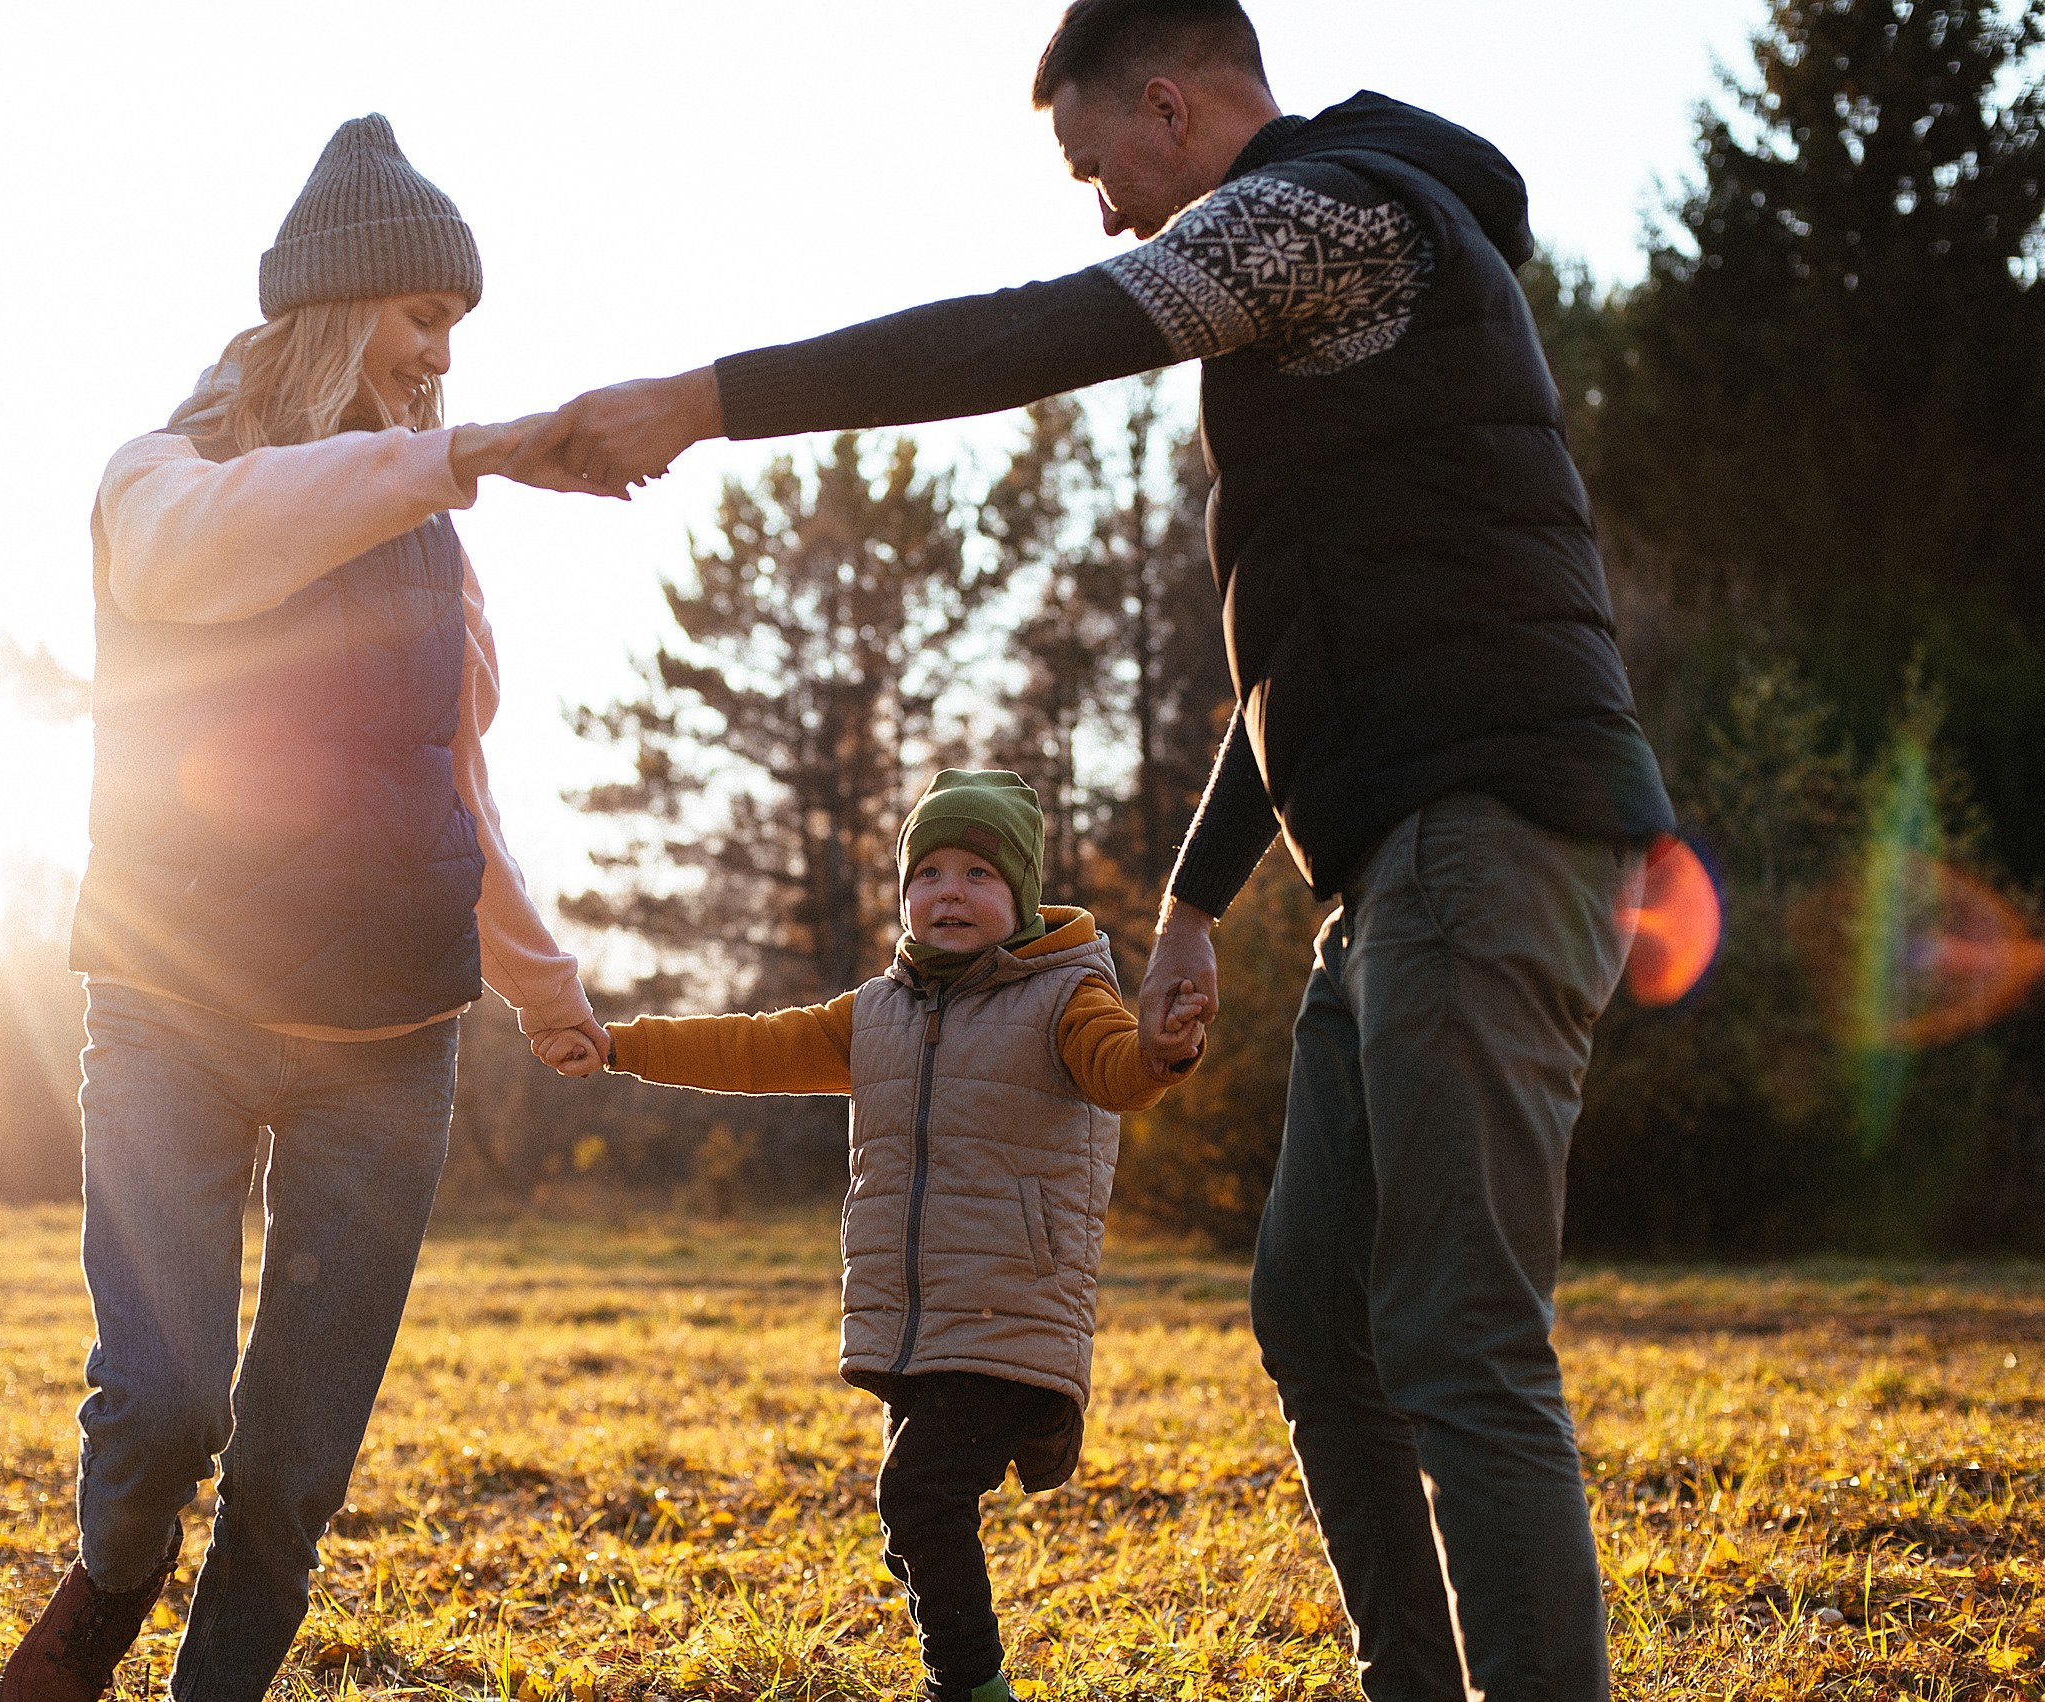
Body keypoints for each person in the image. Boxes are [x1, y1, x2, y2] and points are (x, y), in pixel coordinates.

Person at [507, 4, 1677, 1698]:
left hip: (1486, 841)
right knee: (1313, 1313)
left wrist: (700, 399)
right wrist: (1198, 895)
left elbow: (1027, 338)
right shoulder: (1341, 301)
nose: (1107, 209)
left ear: (1168, 102)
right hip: (1400, 860)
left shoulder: (1322, 215)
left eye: (1094, 165)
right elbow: (1315, 653)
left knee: (1456, 1332)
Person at [0, 115, 603, 1702]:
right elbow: (224, 552)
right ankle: (114, 1576)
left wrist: (539, 984)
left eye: (457, 333)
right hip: (172, 1009)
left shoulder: (435, 539)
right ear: (338, 309)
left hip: (388, 1047)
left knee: (294, 1463)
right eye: (423, 316)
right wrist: (459, 455)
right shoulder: (161, 482)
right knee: (167, 1402)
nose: (440, 358)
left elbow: (455, 786)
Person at [537, 770, 1206, 1702]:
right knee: (913, 1521)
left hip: (1008, 1306)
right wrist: (619, 1045)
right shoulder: (876, 1012)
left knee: (917, 1497)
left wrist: (1162, 1046)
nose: (950, 891)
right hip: (912, 1323)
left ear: (1020, 895)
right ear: (903, 894)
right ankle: (1031, 1453)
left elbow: (1120, 1071)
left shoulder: (1065, 996)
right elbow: (752, 1048)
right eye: (928, 871)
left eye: (979, 872)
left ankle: (969, 1683)